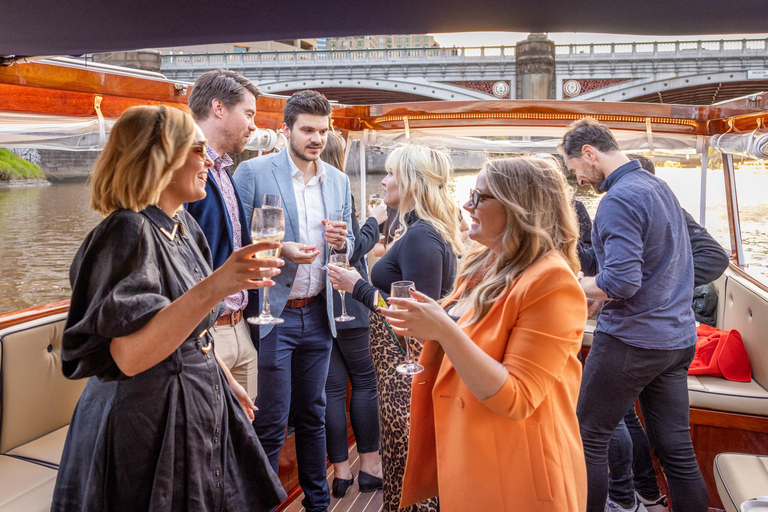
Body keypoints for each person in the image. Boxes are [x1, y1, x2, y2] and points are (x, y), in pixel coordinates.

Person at [52, 106, 286, 511]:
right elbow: (129, 356)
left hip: (189, 404)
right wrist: (219, 285)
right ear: (161, 157)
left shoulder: (182, 227)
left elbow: (186, 328)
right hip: (146, 425)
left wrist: (221, 374)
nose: (210, 159)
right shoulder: (126, 231)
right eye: (198, 149)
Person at [378, 156, 588, 511]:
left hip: (516, 471)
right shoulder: (484, 264)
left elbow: (517, 398)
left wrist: (443, 330)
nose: (466, 205)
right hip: (472, 453)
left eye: (479, 198)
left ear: (518, 208)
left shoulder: (553, 282)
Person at [560, 117, 708, 512]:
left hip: (633, 341)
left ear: (590, 153)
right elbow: (658, 268)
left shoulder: (618, 199)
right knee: (677, 452)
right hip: (677, 341)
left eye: (576, 170)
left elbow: (621, 283)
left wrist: (570, 287)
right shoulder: (657, 186)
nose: (579, 181)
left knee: (587, 434)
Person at [234, 90, 355, 512]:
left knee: (313, 416)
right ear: (286, 130)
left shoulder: (338, 180)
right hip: (272, 316)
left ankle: (317, 505)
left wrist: (344, 242)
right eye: (307, 130)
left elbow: (351, 241)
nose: (316, 138)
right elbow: (236, 240)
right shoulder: (252, 173)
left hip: (319, 316)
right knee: (269, 423)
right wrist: (279, 248)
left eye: (322, 131)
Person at [328, 143, 462, 512]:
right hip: (397, 364)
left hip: (407, 365)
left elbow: (417, 315)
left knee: (407, 452)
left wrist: (357, 286)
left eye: (390, 174)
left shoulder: (421, 236)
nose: (383, 180)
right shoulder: (421, 230)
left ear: (412, 182)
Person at [601, 154, 729, 512]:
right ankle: (647, 494)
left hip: (642, 335)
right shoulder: (652, 206)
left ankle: (629, 497)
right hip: (672, 337)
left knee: (600, 427)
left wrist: (660, 286)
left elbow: (715, 257)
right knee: (675, 450)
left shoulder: (650, 208)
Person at [185, 69, 262, 401]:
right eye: (249, 113)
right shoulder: (185, 172)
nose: (254, 125)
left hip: (239, 326)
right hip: (205, 333)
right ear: (219, 108)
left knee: (245, 440)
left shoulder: (224, 171)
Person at [320, 131, 386, 498]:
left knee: (331, 390)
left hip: (320, 306)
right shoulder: (338, 187)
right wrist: (374, 220)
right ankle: (371, 467)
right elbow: (355, 247)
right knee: (365, 382)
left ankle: (340, 472)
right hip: (349, 303)